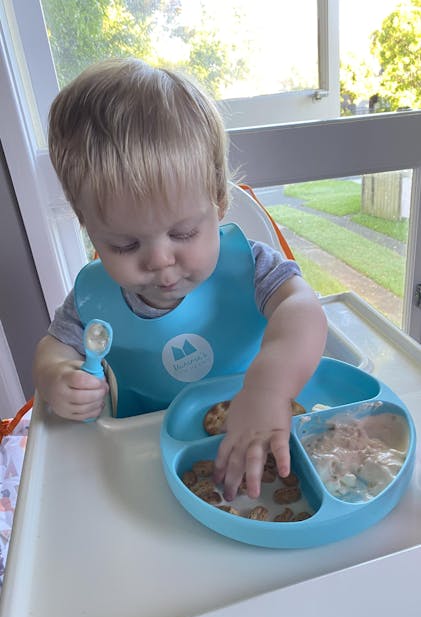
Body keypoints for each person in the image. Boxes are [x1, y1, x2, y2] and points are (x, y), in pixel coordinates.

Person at [33, 58, 327, 502]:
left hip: (263, 444)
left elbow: (302, 309)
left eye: (183, 233)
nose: (159, 261)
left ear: (220, 202)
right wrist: (57, 379)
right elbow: (53, 349)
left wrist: (269, 388)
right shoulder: (94, 297)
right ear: (88, 227)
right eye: (125, 245)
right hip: (144, 467)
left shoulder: (248, 267)